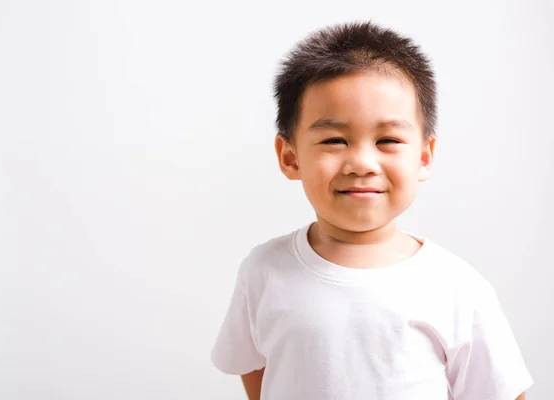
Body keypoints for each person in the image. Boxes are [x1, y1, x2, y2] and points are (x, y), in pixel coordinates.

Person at [210, 21, 533, 400]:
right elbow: (252, 364)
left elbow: (501, 392)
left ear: (424, 157)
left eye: (387, 140)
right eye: (334, 139)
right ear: (290, 156)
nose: (362, 162)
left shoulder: (456, 286)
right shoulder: (263, 270)